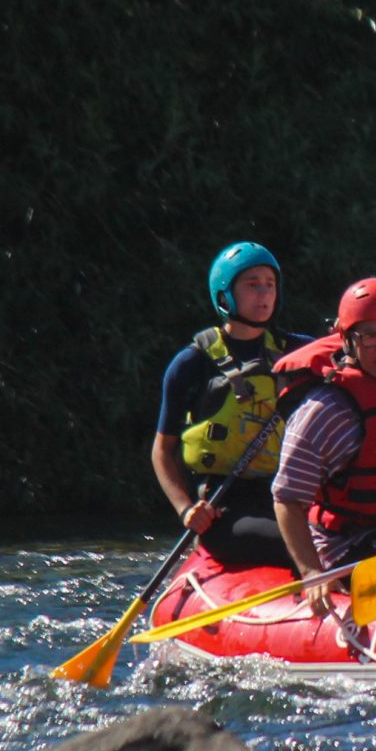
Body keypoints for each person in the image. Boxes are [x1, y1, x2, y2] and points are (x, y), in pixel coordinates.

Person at [270, 278, 376, 610]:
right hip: (350, 546)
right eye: (370, 337)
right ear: (346, 340)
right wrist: (311, 573)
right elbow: (287, 500)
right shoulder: (326, 410)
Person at [151, 242, 315, 570]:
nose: (264, 293)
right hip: (225, 504)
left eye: (269, 284)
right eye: (252, 284)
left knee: (336, 536)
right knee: (301, 545)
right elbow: (162, 451)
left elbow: (351, 354)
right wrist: (186, 509)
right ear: (225, 295)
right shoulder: (191, 363)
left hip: (287, 495)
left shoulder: (297, 351)